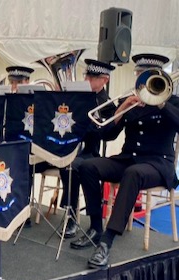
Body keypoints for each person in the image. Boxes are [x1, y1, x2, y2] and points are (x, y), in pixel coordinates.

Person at [76, 53, 179, 269]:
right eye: (139, 75)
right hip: (128, 159)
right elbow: (107, 135)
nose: (141, 80)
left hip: (158, 164)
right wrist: (121, 109)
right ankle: (95, 227)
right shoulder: (129, 101)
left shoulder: (174, 101)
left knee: (134, 174)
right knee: (88, 166)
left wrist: (160, 103)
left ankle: (106, 242)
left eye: (146, 76)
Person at [63, 59, 116, 241]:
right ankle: (70, 214)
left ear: (105, 80)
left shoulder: (107, 105)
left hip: (88, 151)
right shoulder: (76, 96)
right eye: (87, 75)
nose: (88, 80)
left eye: (93, 77)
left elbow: (109, 135)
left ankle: (71, 218)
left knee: (71, 166)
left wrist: (90, 126)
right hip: (68, 146)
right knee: (66, 162)